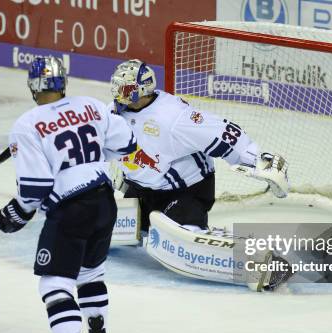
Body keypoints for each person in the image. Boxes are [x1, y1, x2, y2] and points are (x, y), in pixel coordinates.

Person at [0, 56, 136, 333]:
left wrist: (13, 214)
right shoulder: (90, 105)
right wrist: (94, 157)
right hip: (104, 201)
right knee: (89, 274)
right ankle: (97, 332)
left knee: (54, 282)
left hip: (70, 210)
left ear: (32, 86)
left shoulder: (26, 124)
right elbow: (127, 144)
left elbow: (35, 186)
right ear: (63, 84)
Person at [110, 59, 289, 233]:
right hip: (142, 191)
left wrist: (257, 160)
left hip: (185, 192)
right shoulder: (114, 112)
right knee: (105, 222)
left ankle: (194, 229)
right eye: (117, 87)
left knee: (176, 234)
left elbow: (222, 132)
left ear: (142, 89)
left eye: (124, 89)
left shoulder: (172, 115)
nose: (118, 94)